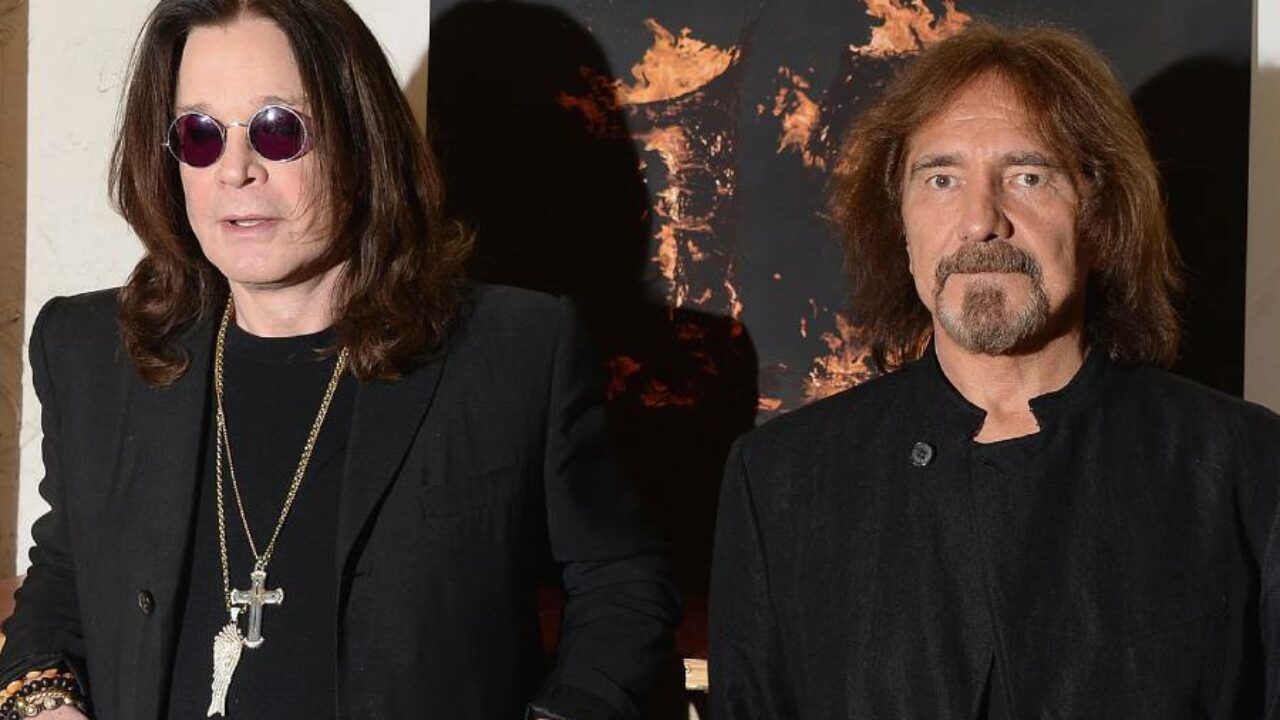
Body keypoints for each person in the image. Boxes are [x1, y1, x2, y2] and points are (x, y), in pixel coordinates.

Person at [0, 1, 680, 719]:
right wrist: (43, 704)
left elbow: (622, 586)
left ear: (361, 140)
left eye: (277, 129)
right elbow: (63, 580)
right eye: (200, 134)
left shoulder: (514, 351)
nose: (235, 170)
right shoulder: (90, 352)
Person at [709, 23, 1280, 719]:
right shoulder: (781, 481)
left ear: (1099, 218)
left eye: (1027, 176)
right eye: (941, 179)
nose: (980, 220)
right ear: (902, 226)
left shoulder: (1245, 467)